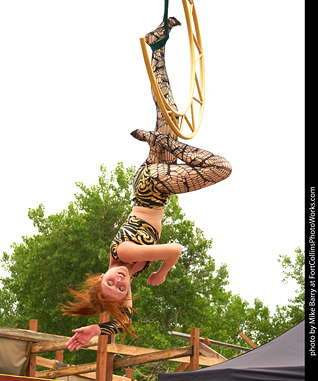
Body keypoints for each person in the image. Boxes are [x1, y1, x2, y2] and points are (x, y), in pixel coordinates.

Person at [63, 17, 232, 352]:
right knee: (167, 106)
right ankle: (158, 45)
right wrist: (97, 330)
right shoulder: (125, 273)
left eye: (111, 282)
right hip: (152, 185)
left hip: (152, 188)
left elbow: (175, 250)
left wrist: (164, 272)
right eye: (122, 288)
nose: (121, 282)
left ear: (101, 277)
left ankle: (158, 139)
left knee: (220, 167)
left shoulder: (124, 254)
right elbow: (121, 322)